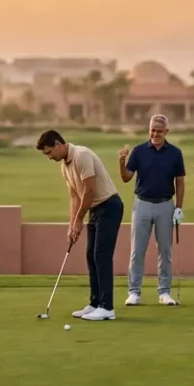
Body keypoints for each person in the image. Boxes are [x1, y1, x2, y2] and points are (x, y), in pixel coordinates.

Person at [37, 128, 124, 321]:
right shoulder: (64, 166)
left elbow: (90, 190)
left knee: (101, 255)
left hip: (109, 206)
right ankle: (95, 303)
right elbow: (75, 197)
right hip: (95, 210)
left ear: (58, 144)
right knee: (91, 255)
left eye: (49, 152)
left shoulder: (81, 155)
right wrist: (72, 225)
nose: (49, 157)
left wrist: (79, 219)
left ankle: (107, 307)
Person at [118, 114, 185, 306]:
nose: (155, 134)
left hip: (165, 204)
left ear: (166, 132)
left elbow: (180, 182)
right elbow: (126, 178)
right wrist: (122, 162)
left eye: (159, 131)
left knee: (165, 251)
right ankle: (134, 292)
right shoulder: (139, 151)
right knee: (137, 250)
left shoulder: (175, 153)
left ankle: (164, 292)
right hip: (142, 204)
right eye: (152, 130)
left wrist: (179, 207)